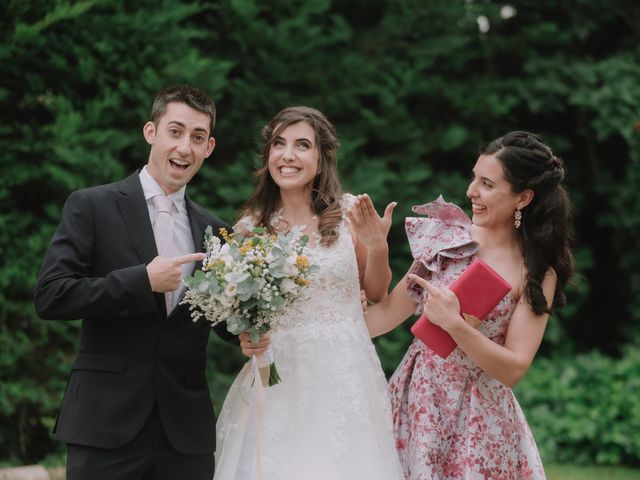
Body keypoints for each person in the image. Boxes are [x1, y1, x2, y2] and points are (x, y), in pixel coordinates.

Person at [34, 85, 261, 480]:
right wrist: (141, 281)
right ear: (150, 132)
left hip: (185, 435)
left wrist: (249, 327)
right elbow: (52, 295)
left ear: (209, 147)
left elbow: (219, 318)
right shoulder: (91, 205)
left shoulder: (215, 230)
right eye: (175, 131)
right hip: (105, 425)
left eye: (197, 137)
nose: (184, 148)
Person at [361, 131, 574, 479]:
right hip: (419, 402)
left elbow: (514, 368)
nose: (471, 191)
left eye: (487, 184)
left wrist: (455, 325)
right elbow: (385, 315)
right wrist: (321, 321)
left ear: (523, 198)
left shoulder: (535, 270)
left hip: (482, 418)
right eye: (474, 178)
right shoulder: (447, 240)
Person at [212, 106, 404, 480]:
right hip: (280, 376)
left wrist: (377, 246)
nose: (288, 155)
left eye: (302, 145)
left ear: (322, 156)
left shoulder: (350, 213)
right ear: (268, 155)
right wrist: (246, 336)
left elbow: (377, 293)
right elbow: (242, 313)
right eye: (279, 144)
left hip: (345, 374)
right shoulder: (251, 230)